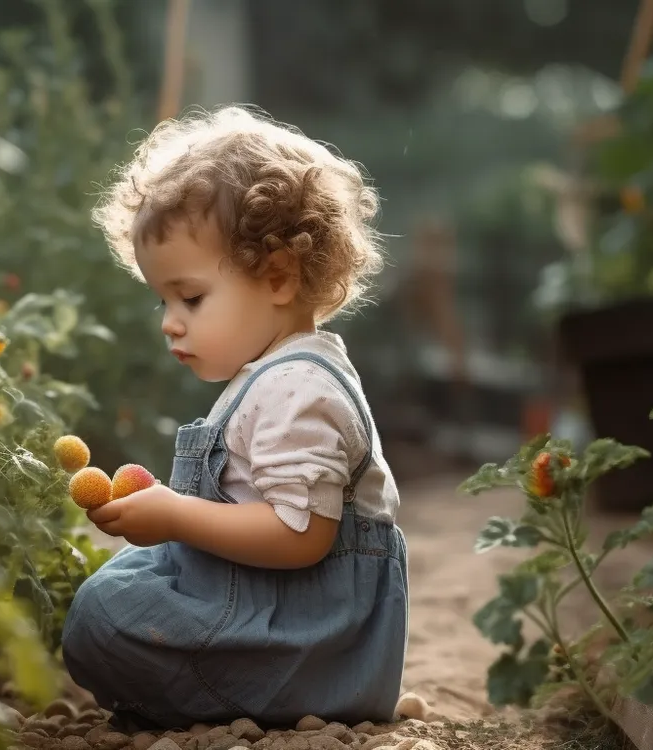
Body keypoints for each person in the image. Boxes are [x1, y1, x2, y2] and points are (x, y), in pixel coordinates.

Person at [60, 105, 409, 731]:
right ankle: (267, 687)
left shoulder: (299, 389)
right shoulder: (273, 375)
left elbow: (302, 538)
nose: (169, 321)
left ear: (278, 276)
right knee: (118, 586)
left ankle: (286, 694)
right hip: (266, 609)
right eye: (163, 299)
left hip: (303, 631)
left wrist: (174, 514)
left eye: (190, 298)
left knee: (102, 617)